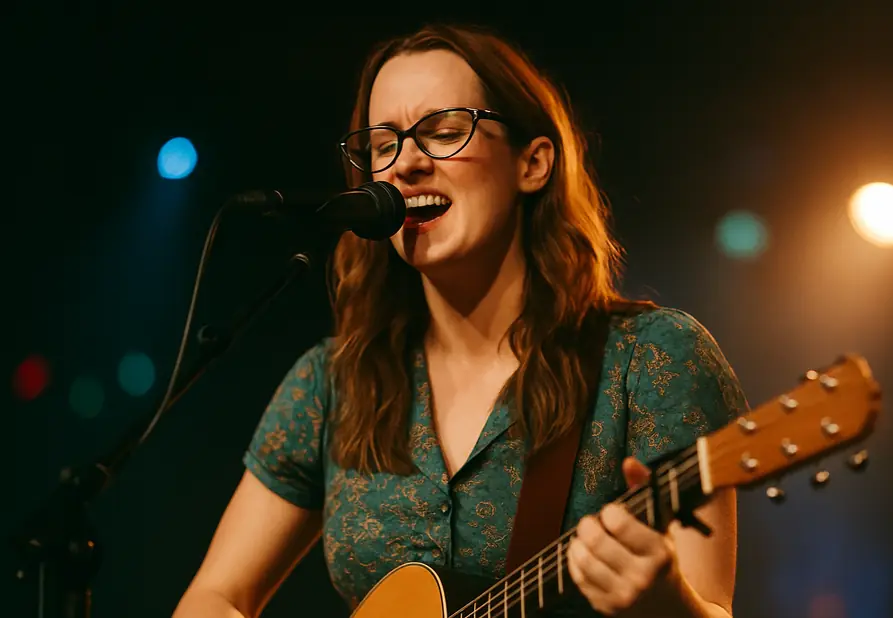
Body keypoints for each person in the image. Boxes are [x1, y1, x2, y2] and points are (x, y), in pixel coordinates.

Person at [174, 22, 748, 618]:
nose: (406, 165)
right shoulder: (333, 382)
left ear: (533, 163)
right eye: (383, 144)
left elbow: (710, 603)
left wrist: (665, 601)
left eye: (444, 132)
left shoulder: (651, 360)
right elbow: (214, 596)